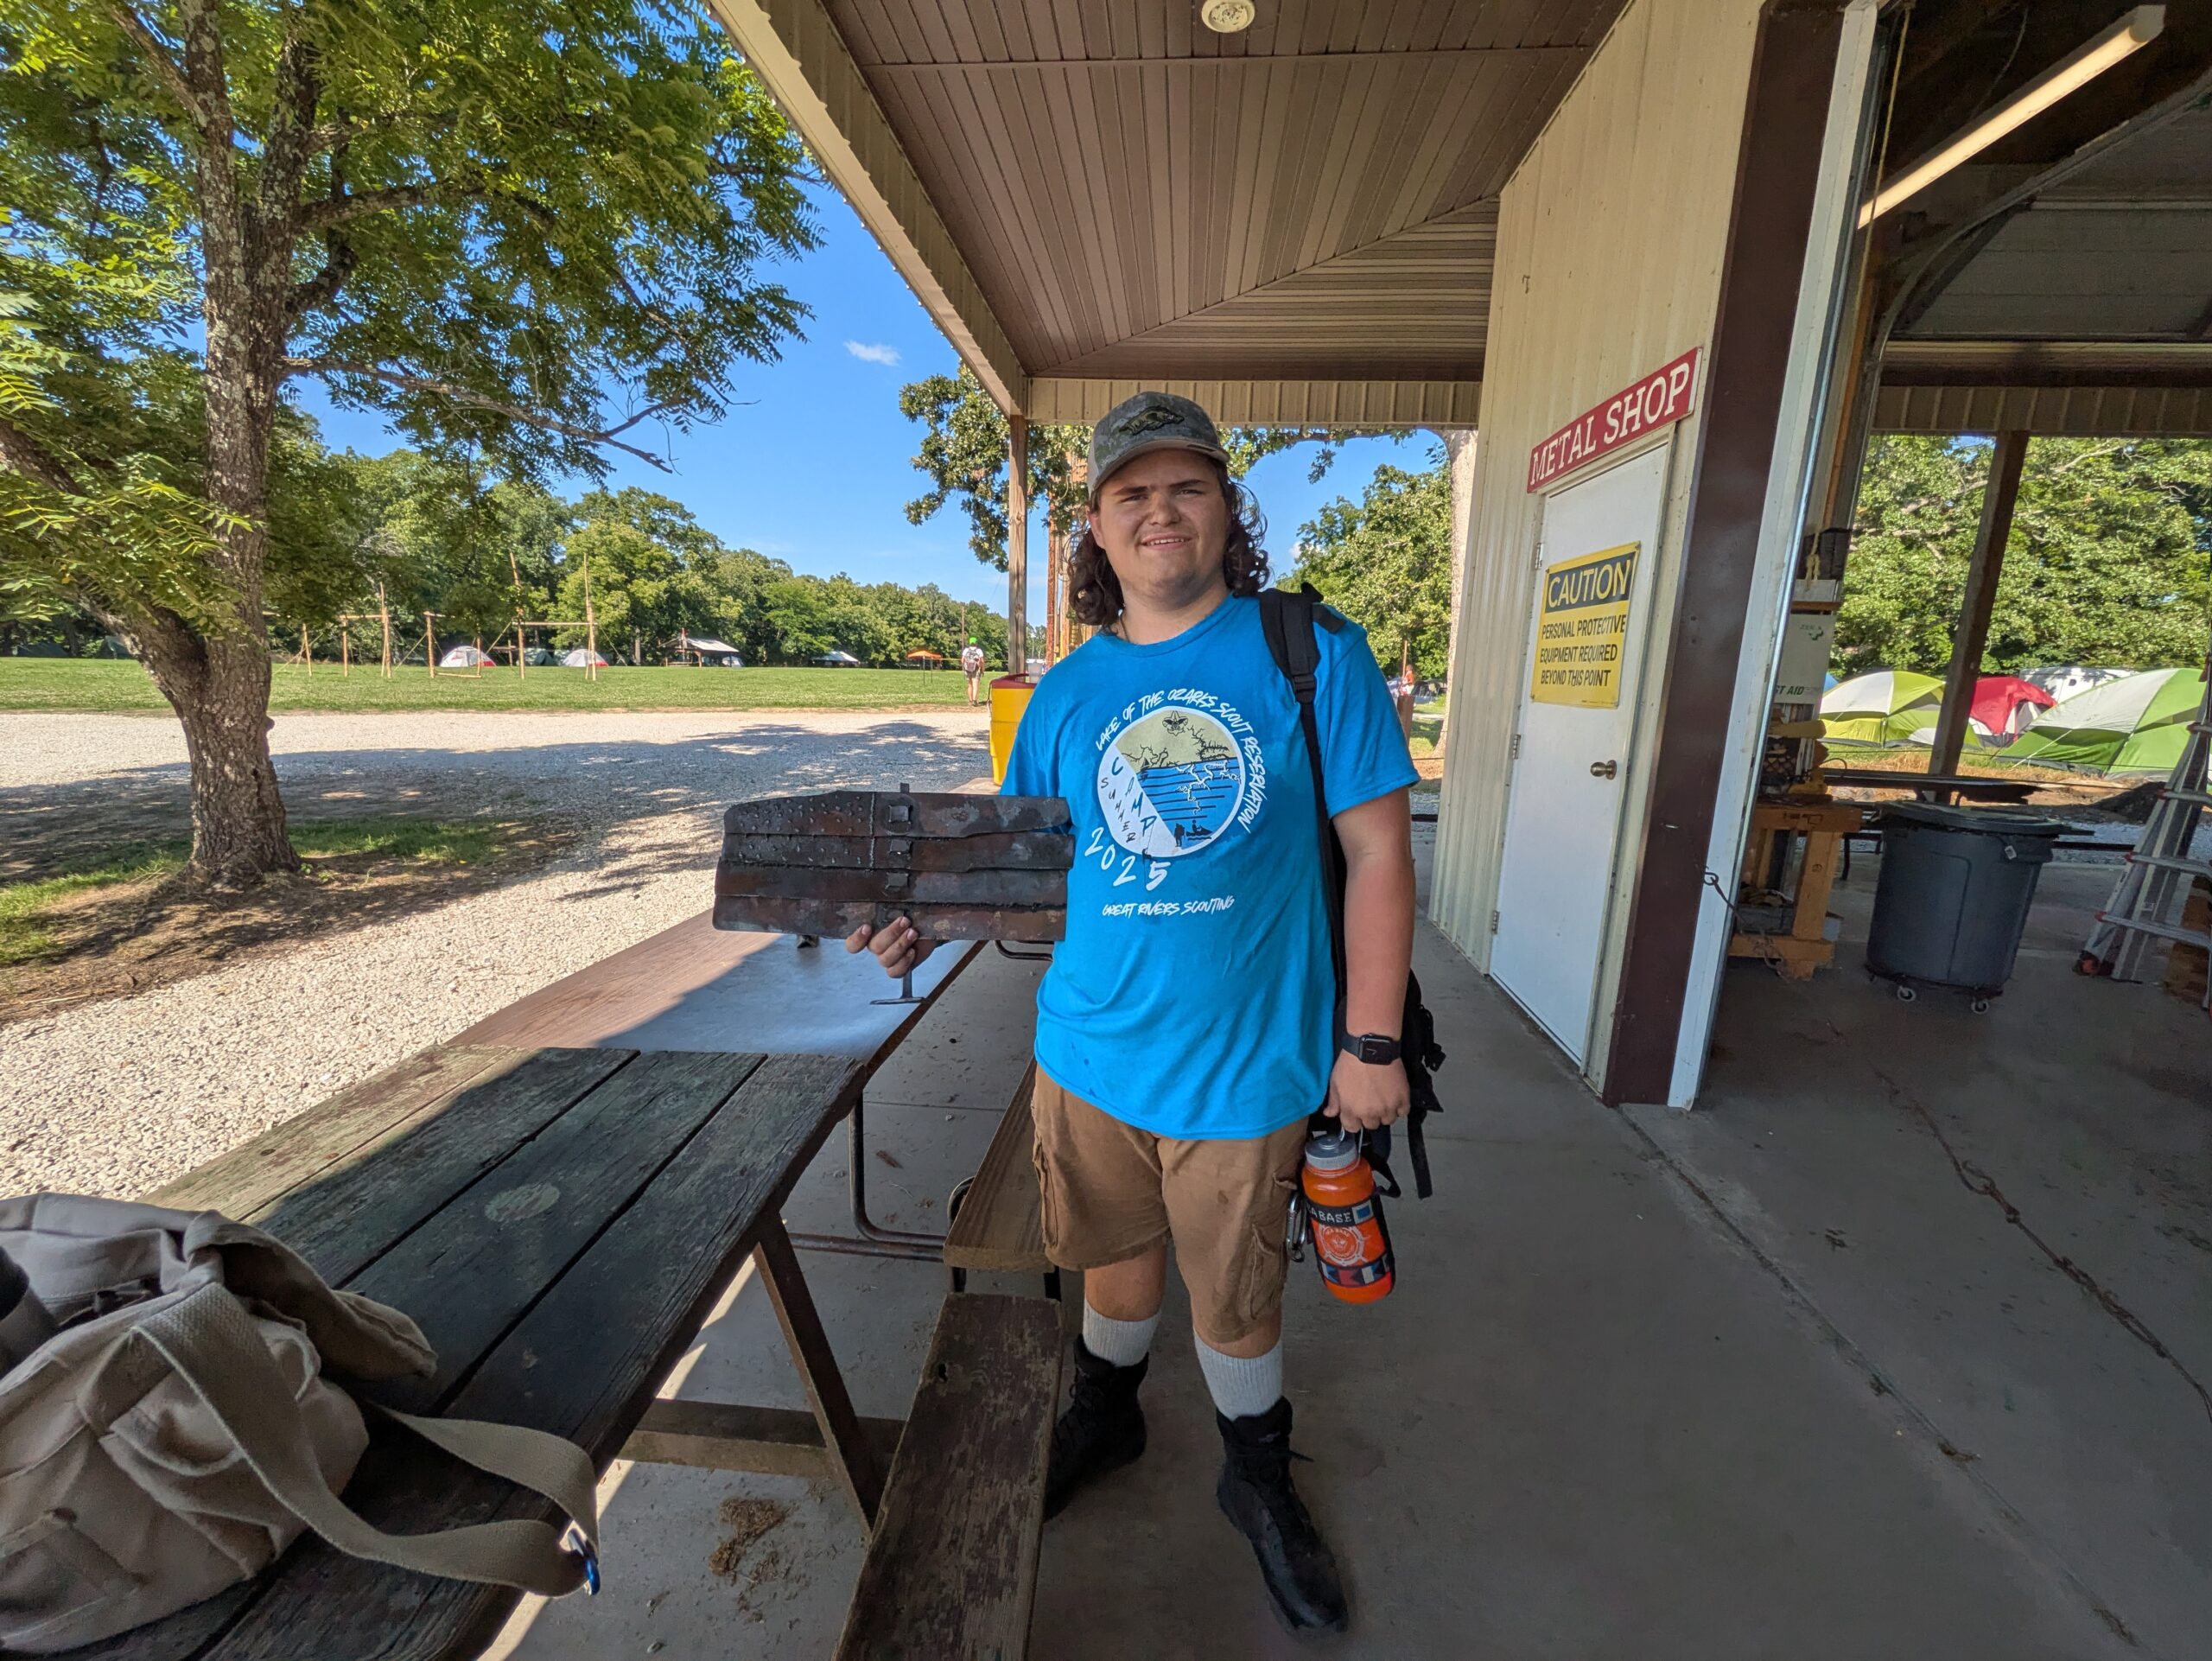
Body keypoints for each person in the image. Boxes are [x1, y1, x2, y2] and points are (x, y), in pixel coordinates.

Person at [849, 391, 1416, 1633]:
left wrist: (1369, 1040)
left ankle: (1254, 1472)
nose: (1161, 512)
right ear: (1098, 528)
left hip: (1249, 1063)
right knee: (1111, 1254)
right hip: (1089, 1055)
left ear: (1225, 508)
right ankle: (1108, 1411)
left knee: (1238, 1292)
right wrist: (920, 919)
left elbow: (1378, 852)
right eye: (1131, 493)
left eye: (1187, 487)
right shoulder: (1064, 693)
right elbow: (1024, 872)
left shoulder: (1311, 652)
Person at [960, 637, 987, 705]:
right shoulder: (979, 651)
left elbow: (962, 660)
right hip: (976, 670)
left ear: (969, 643)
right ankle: (975, 701)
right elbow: (982, 661)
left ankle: (970, 701)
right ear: (976, 643)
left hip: (967, 670)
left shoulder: (966, 650)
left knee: (969, 685)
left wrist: (965, 667)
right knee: (975, 685)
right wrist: (982, 670)